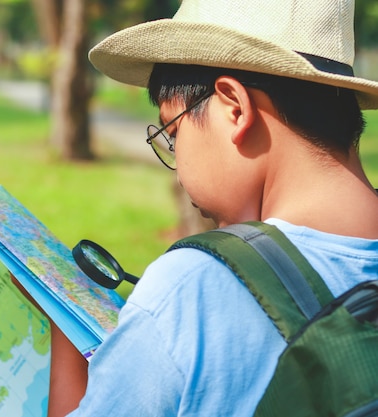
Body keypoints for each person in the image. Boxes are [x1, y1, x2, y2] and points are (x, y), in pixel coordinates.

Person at [36, 0, 378, 415]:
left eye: (172, 132)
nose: (179, 171)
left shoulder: (195, 287)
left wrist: (60, 322)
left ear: (234, 108)